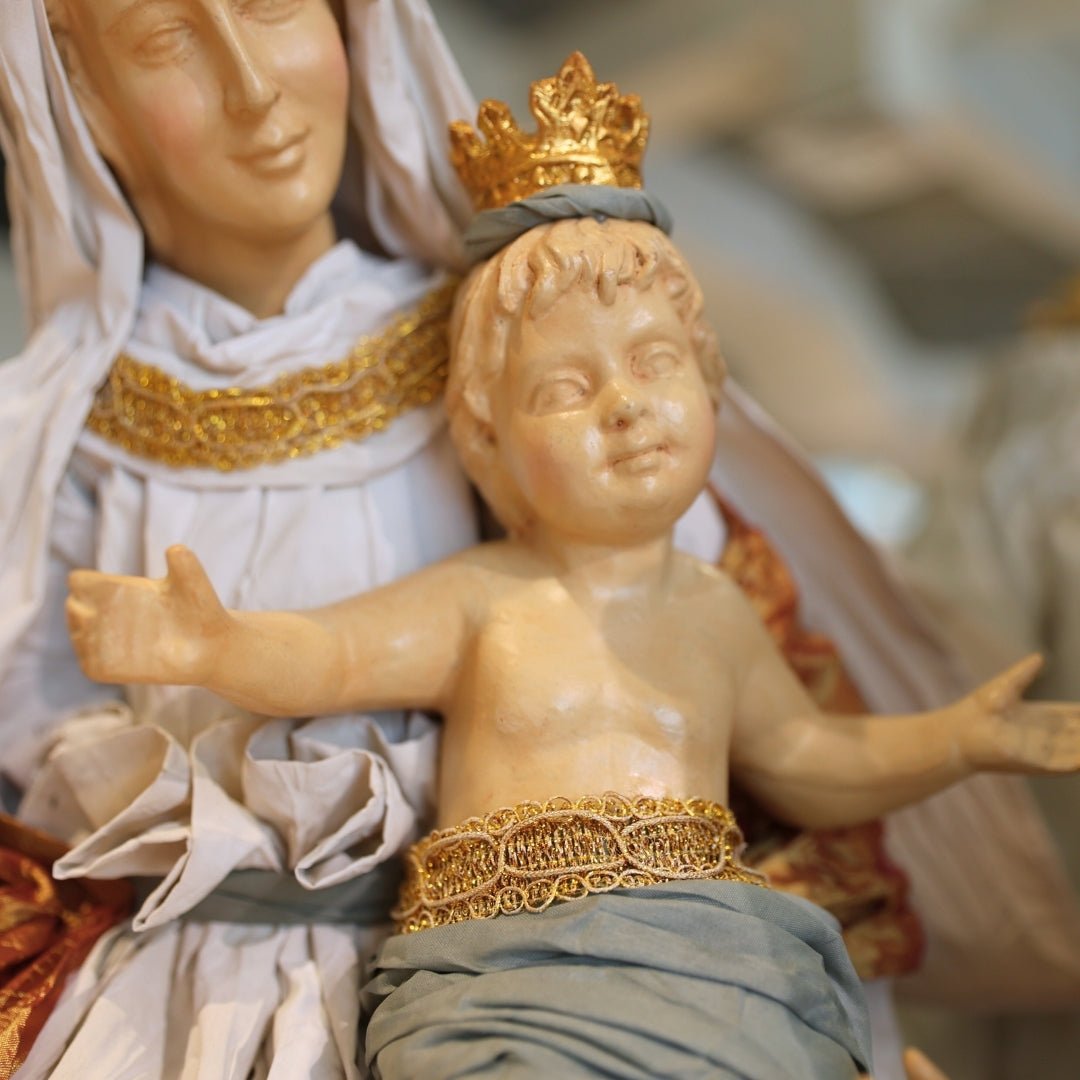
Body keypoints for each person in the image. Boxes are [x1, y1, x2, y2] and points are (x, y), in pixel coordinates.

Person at [0, 10, 1076, 1077]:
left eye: (275, 6)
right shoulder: (64, 426)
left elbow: (794, 759)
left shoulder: (692, 585)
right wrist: (211, 647)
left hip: (665, 961)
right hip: (360, 984)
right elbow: (328, 654)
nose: (251, 86)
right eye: (162, 40)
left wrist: (955, 740)